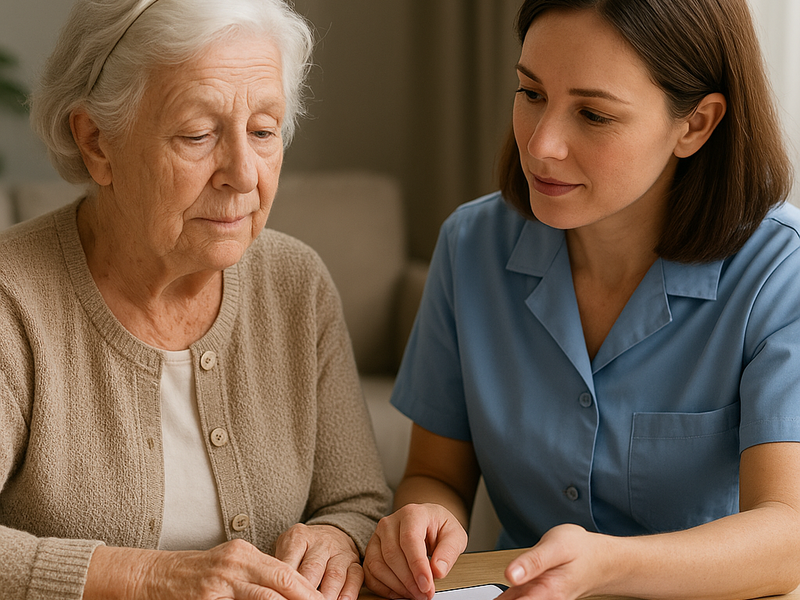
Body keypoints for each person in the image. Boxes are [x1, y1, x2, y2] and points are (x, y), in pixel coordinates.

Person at [363, 0, 800, 599]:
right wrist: (424, 523)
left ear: (695, 125)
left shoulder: (779, 271)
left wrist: (608, 565)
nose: (541, 144)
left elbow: (788, 535)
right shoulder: (470, 246)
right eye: (531, 93)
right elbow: (434, 474)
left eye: (593, 114)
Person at [0, 0, 391, 598]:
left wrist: (335, 539)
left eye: (263, 131)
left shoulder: (296, 283)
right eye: (198, 135)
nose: (244, 173)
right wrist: (147, 577)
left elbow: (356, 501)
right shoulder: (12, 298)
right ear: (97, 142)